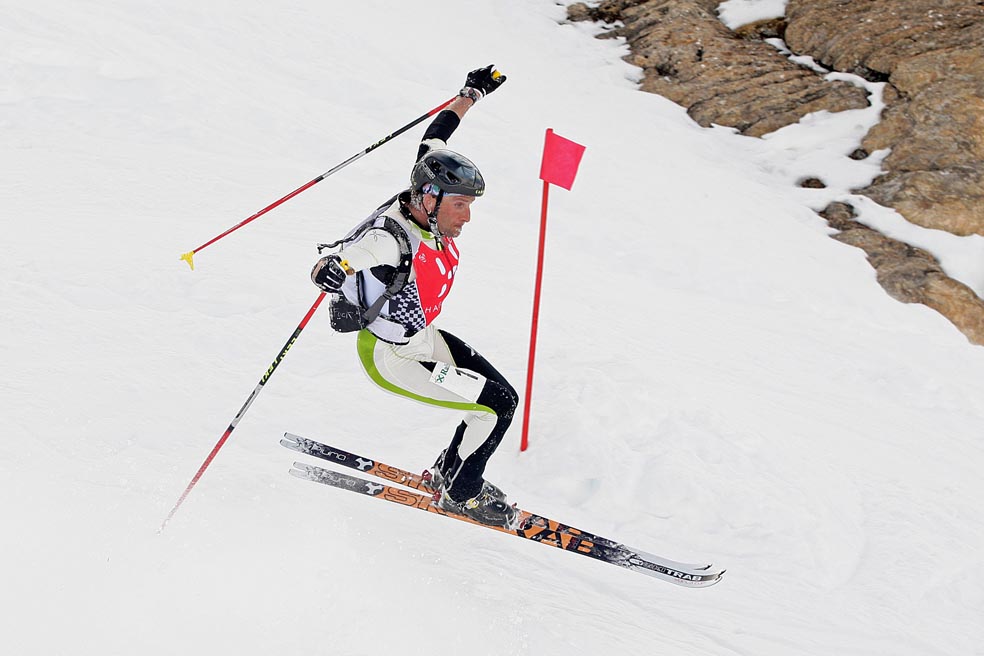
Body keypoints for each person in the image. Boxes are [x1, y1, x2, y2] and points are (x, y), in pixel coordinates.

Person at [310, 65, 519, 529]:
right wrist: (329, 270)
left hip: (423, 337)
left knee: (505, 398)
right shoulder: (390, 240)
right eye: (460, 205)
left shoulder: (426, 192)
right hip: (394, 356)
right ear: (429, 197)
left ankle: (450, 471)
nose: (467, 217)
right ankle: (462, 494)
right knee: (494, 407)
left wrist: (472, 93)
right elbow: (346, 259)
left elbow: (436, 136)